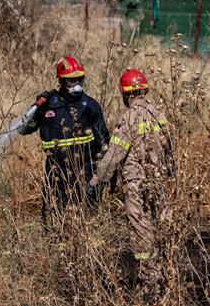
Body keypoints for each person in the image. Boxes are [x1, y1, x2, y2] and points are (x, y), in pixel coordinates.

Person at [88, 69, 173, 260]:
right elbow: (169, 148)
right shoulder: (159, 115)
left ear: (126, 93)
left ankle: (147, 275)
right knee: (159, 223)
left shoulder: (128, 118)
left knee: (141, 230)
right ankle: (165, 268)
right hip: (157, 180)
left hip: (135, 182)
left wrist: (96, 181)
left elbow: (114, 154)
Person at [19, 55, 110, 217]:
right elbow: (23, 129)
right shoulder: (47, 105)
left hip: (85, 169)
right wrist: (34, 110)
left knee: (87, 213)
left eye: (79, 80)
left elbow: (103, 141)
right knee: (53, 212)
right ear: (61, 81)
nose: (77, 86)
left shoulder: (90, 106)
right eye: (71, 81)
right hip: (56, 170)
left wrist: (100, 174)